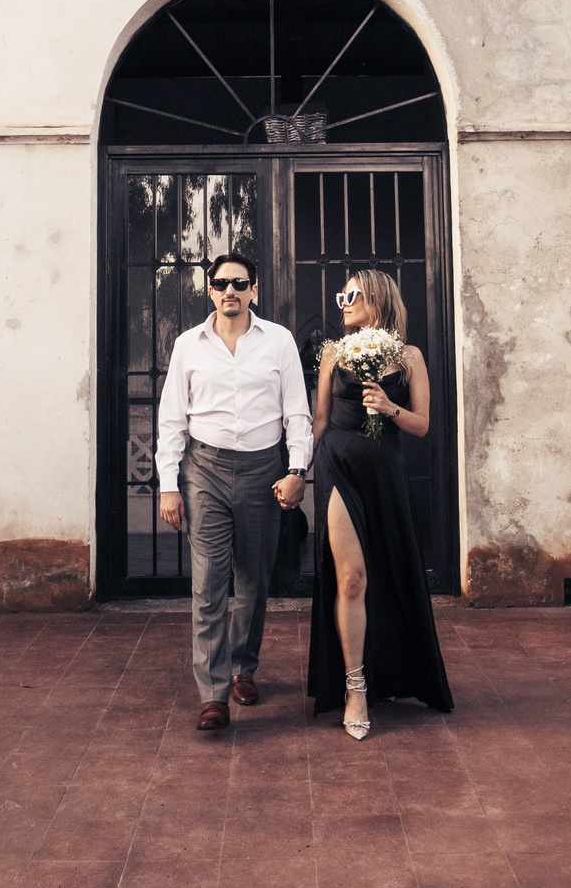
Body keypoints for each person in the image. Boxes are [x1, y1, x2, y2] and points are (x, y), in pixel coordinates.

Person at [156, 248, 311, 733]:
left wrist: (297, 470)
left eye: (239, 284)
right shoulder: (188, 345)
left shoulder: (279, 342)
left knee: (253, 581)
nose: (230, 292)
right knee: (208, 585)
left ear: (254, 291)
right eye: (222, 283)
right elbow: (171, 420)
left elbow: (297, 414)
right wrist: (167, 486)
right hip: (205, 470)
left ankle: (244, 667)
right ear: (210, 291)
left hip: (265, 470)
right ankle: (213, 694)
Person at [308, 269, 453, 738]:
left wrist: (389, 408)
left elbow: (422, 425)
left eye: (352, 295)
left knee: (388, 573)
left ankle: (396, 669)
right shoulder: (333, 351)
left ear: (378, 300)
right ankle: (355, 688)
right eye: (341, 295)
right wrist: (295, 471)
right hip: (339, 467)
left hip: (385, 474)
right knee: (352, 577)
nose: (343, 302)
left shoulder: (408, 356)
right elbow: (320, 421)